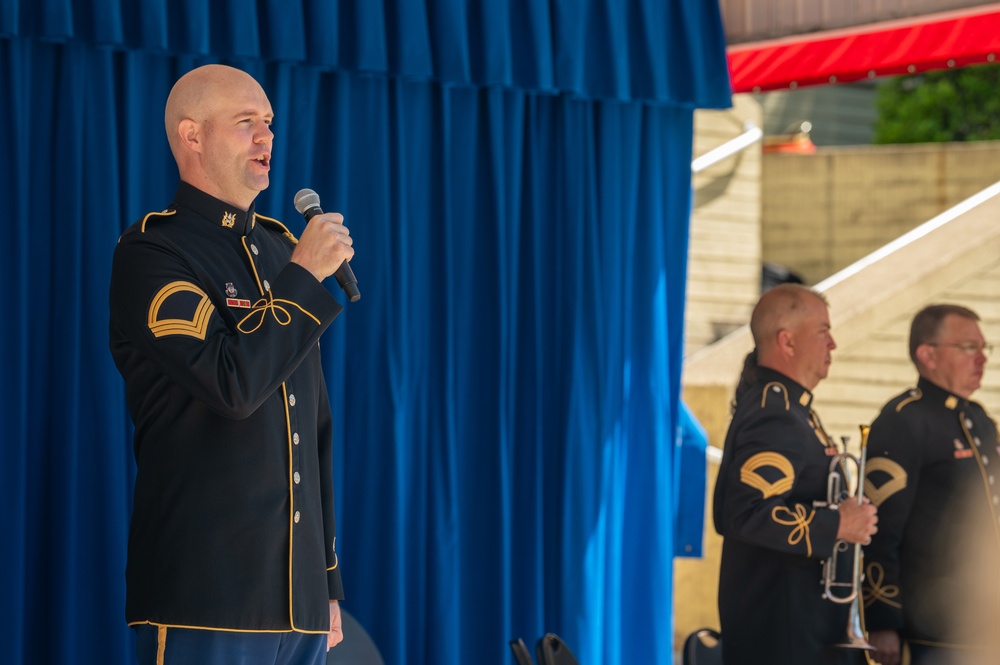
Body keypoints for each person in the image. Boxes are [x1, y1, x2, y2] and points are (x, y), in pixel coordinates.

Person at [109, 64, 355, 665]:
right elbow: (232, 385)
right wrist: (301, 279)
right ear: (192, 136)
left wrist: (325, 582)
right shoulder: (153, 251)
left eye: (268, 123)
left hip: (297, 606)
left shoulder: (279, 246)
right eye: (246, 122)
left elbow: (310, 428)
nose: (266, 137)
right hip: (205, 598)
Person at [713, 283, 878, 665]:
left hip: (801, 628)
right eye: (823, 332)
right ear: (786, 342)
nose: (833, 344)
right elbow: (745, 513)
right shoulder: (776, 414)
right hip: (784, 637)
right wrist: (836, 524)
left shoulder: (794, 409)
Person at [862, 304, 1000, 665]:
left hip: (980, 621)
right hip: (930, 629)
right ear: (928, 355)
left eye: (984, 348)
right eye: (969, 348)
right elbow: (880, 528)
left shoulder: (979, 420)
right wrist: (882, 618)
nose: (982, 359)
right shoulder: (904, 420)